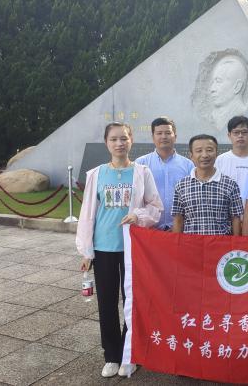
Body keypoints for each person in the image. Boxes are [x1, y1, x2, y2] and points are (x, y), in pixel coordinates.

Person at [76, 122, 163, 378]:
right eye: (114, 139)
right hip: (103, 248)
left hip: (132, 248)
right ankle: (111, 355)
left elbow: (155, 207)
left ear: (131, 140)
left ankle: (129, 354)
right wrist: (86, 251)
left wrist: (138, 215)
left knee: (132, 302)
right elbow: (88, 214)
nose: (119, 144)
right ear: (106, 143)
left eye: (123, 138)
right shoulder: (96, 174)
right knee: (106, 303)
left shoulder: (141, 172)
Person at [172, 134, 243, 235]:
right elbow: (178, 219)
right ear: (191, 155)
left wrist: (236, 245)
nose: (204, 155)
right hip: (191, 246)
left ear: (216, 153)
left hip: (221, 246)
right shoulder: (181, 186)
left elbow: (235, 219)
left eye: (209, 150)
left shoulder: (230, 185)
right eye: (199, 151)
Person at [135, 117, 194, 230]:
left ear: (175, 137)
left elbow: (192, 199)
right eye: (159, 133)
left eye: (168, 133)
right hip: (150, 229)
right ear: (153, 137)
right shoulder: (141, 163)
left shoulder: (188, 165)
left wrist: (180, 226)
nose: (163, 137)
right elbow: (137, 197)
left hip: (179, 229)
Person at [214, 115, 248, 198]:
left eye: (244, 132)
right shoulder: (220, 160)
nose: (240, 136)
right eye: (236, 132)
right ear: (229, 135)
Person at [208, 54, 248, 129]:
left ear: (237, 87)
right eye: (213, 82)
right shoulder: (214, 116)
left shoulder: (241, 111)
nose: (212, 89)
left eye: (218, 81)